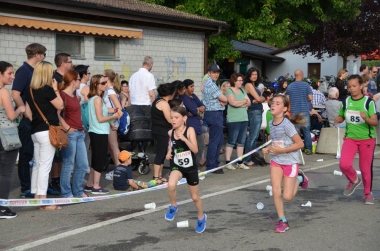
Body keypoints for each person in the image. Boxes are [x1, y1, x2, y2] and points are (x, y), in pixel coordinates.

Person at [262, 94, 309, 233]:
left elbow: (300, 144)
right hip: (276, 161)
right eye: (272, 103)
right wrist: (268, 148)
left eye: (277, 103)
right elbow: (275, 141)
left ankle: (299, 178)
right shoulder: (271, 123)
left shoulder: (287, 125)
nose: (273, 105)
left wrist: (282, 150)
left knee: (287, 197)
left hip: (290, 161)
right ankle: (282, 221)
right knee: (276, 191)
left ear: (284, 109)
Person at [25, 61, 64, 210]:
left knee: (38, 164)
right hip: (48, 131)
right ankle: (43, 200)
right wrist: (55, 89)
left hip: (35, 131)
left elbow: (28, 113)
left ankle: (36, 195)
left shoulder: (30, 90)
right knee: (45, 166)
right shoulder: (47, 89)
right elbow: (60, 106)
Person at [334, 74, 377, 204]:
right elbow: (341, 116)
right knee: (344, 164)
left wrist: (366, 119)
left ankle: (368, 193)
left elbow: (375, 122)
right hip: (350, 138)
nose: (352, 89)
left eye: (354, 86)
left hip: (367, 139)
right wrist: (339, 119)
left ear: (361, 86)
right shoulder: (345, 102)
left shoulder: (368, 102)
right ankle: (354, 180)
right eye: (350, 86)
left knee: (365, 168)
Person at [11, 43, 46, 198]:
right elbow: (15, 93)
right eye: (43, 54)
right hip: (27, 119)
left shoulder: (35, 71)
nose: (45, 57)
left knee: (36, 153)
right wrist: (22, 109)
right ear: (37, 55)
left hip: (37, 118)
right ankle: (25, 188)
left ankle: (36, 187)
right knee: (26, 153)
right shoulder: (24, 71)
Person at [165, 106, 207, 233]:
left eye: (176, 118)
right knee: (171, 184)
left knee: (195, 197)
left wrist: (183, 139)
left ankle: (201, 217)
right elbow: (171, 146)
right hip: (177, 166)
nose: (173, 120)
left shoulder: (190, 130)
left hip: (190, 168)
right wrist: (168, 153)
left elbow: (195, 150)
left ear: (184, 118)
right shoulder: (170, 133)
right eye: (171, 117)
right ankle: (173, 206)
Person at [84, 75, 122, 195]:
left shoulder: (95, 98)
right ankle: (96, 185)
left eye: (106, 82)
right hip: (99, 131)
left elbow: (105, 111)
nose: (105, 84)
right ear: (96, 85)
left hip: (96, 131)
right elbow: (100, 118)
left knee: (95, 159)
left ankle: (90, 184)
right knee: (99, 160)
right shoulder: (97, 99)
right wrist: (114, 117)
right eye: (103, 83)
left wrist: (114, 112)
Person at [57, 70, 89, 198]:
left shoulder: (74, 95)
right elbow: (57, 114)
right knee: (68, 164)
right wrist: (67, 128)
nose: (80, 82)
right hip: (70, 133)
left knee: (82, 164)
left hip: (79, 133)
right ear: (73, 81)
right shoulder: (62, 95)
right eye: (78, 79)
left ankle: (78, 190)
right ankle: (66, 192)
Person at [0, 61, 26, 218]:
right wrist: (20, 109)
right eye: (9, 73)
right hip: (5, 137)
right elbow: (11, 115)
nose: (13, 76)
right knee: (6, 173)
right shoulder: (3, 92)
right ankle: (2, 208)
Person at [50, 52, 74, 194]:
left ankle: (59, 179)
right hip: (58, 118)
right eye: (69, 62)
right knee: (57, 153)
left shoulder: (65, 77)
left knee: (62, 153)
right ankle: (54, 181)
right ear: (63, 63)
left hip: (67, 118)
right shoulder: (55, 78)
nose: (71, 64)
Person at [202, 63, 227, 174]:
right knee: (215, 140)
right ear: (209, 73)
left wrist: (221, 100)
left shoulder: (209, 82)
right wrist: (224, 99)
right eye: (214, 72)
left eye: (217, 72)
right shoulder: (211, 84)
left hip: (214, 113)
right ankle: (212, 165)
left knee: (219, 139)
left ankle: (213, 163)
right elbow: (223, 97)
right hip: (214, 113)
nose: (216, 74)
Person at [224, 73, 250, 170]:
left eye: (242, 80)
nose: (241, 82)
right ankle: (227, 162)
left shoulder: (243, 91)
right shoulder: (229, 90)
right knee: (231, 140)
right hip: (233, 119)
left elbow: (249, 102)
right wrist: (243, 102)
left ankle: (240, 162)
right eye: (239, 80)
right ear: (234, 81)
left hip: (244, 118)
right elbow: (233, 103)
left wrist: (240, 103)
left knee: (241, 141)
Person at [151, 83, 176, 184]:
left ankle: (160, 175)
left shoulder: (158, 100)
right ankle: (156, 176)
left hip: (159, 130)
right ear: (170, 93)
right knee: (161, 153)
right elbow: (169, 119)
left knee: (162, 152)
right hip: (161, 131)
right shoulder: (164, 103)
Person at [286, 69, 313, 155]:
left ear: (295, 75)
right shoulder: (306, 85)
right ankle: (308, 149)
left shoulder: (290, 86)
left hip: (294, 112)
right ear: (302, 75)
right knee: (306, 130)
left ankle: (297, 148)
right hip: (304, 111)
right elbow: (310, 98)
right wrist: (306, 99)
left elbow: (287, 100)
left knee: (295, 131)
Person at [180, 79, 206, 167]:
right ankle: (191, 166)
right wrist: (197, 110)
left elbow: (203, 106)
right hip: (190, 125)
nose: (193, 88)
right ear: (186, 88)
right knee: (192, 147)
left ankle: (195, 165)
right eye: (191, 86)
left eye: (193, 86)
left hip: (197, 124)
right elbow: (194, 111)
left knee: (201, 146)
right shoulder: (184, 98)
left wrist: (198, 110)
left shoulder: (194, 96)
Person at [243, 67, 265, 166]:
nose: (255, 76)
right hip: (254, 112)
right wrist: (259, 99)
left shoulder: (254, 85)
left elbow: (263, 98)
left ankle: (251, 156)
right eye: (253, 74)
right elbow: (258, 98)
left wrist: (260, 99)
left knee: (255, 136)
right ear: (249, 75)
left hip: (258, 111)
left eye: (256, 74)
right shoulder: (248, 85)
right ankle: (247, 158)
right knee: (252, 136)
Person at [103, 69, 122, 167]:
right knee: (111, 146)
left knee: (113, 146)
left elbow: (119, 107)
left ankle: (119, 168)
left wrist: (111, 115)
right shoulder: (110, 90)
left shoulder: (110, 91)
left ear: (107, 78)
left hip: (111, 119)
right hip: (110, 119)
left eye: (103, 76)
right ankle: (117, 166)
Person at [74, 65, 91, 167]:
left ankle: (75, 167)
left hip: (75, 119)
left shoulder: (74, 87)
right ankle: (83, 166)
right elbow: (91, 102)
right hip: (84, 120)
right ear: (84, 75)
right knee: (84, 145)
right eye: (88, 73)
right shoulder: (85, 87)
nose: (89, 75)